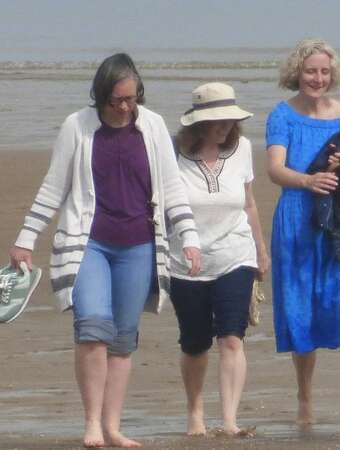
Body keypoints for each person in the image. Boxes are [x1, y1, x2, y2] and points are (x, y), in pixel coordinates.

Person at [7, 53, 201, 448]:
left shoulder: (153, 126)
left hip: (139, 245)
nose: (125, 107)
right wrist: (26, 238)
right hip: (88, 243)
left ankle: (113, 426)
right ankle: (92, 423)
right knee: (93, 329)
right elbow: (53, 186)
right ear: (100, 96)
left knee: (123, 338)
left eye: (131, 99)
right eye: (116, 100)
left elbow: (172, 187)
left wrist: (190, 238)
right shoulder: (77, 127)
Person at [265, 39, 340, 426]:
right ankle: (305, 400)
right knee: (302, 310)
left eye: (324, 72)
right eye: (311, 71)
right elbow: (275, 170)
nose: (318, 78)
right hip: (297, 217)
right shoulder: (282, 115)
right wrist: (308, 180)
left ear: (333, 74)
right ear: (297, 72)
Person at [169, 82, 269, 436]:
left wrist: (260, 249)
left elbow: (249, 202)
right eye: (216, 120)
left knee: (231, 338)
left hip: (235, 253)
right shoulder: (173, 152)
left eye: (229, 119)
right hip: (186, 262)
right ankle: (195, 415)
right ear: (196, 122)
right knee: (194, 342)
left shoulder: (242, 148)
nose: (224, 126)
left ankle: (229, 421)